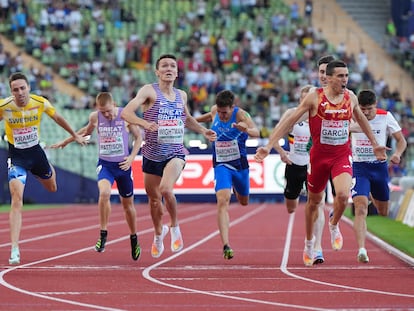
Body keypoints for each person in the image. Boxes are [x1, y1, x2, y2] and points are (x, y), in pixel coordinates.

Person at [254, 60, 387, 266]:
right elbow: (289, 121)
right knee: (314, 203)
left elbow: (361, 120)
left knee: (343, 195)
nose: (345, 80)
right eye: (341, 76)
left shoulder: (350, 97)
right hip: (318, 158)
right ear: (330, 78)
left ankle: (333, 225)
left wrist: (376, 144)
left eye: (347, 76)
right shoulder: (314, 97)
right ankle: (309, 243)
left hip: (341, 156)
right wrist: (269, 145)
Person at [120, 54, 217, 258]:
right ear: (157, 71)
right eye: (164, 66)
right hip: (151, 154)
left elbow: (187, 118)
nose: (168, 68)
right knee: (154, 201)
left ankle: (174, 227)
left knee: (166, 189)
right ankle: (158, 234)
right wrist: (145, 124)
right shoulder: (148, 90)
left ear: (177, 72)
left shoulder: (182, 95)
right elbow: (126, 114)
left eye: (172, 66)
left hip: (175, 152)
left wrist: (202, 131)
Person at [0, 72, 86, 265]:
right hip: (17, 157)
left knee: (52, 187)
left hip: (37, 155)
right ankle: (14, 248)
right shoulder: (4, 107)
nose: (20, 92)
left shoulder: (40, 102)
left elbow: (58, 118)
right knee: (16, 199)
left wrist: (74, 135)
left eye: (23, 88)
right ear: (11, 91)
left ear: (29, 88)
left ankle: (49, 167)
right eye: (16, 89)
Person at [51, 92, 143, 261]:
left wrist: (131, 158)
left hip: (123, 166)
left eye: (108, 111)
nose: (106, 115)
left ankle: (134, 238)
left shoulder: (125, 115)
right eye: (102, 111)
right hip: (105, 165)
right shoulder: (95, 116)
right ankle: (103, 233)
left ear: (113, 104)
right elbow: (85, 131)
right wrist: (66, 141)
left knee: (128, 206)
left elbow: (138, 138)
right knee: (104, 193)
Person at [197, 89, 259, 259]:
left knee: (244, 201)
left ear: (233, 107)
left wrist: (244, 129)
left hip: (240, 166)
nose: (222, 116)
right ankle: (226, 245)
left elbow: (257, 132)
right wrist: (192, 121)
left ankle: (237, 188)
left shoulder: (241, 115)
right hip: (221, 164)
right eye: (220, 112)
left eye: (225, 113)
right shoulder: (215, 110)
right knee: (222, 200)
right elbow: (208, 116)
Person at [350, 89, 406, 263]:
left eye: (369, 109)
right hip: (359, 167)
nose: (366, 113)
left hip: (379, 168)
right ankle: (361, 249)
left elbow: (401, 140)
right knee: (360, 208)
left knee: (383, 211)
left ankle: (372, 194)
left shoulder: (385, 116)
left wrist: (397, 154)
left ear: (376, 105)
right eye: (363, 109)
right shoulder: (352, 116)